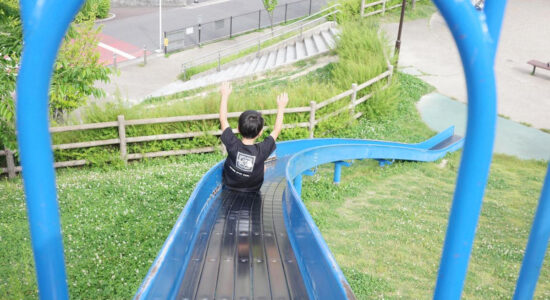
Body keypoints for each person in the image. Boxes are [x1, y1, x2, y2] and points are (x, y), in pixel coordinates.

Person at [218, 82, 288, 192]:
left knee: (258, 165)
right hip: (253, 189)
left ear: (238, 128)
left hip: (230, 185)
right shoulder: (263, 149)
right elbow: (276, 130)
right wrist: (281, 107)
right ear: (260, 132)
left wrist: (225, 95)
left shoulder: (232, 143)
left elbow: (223, 119)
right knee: (263, 166)